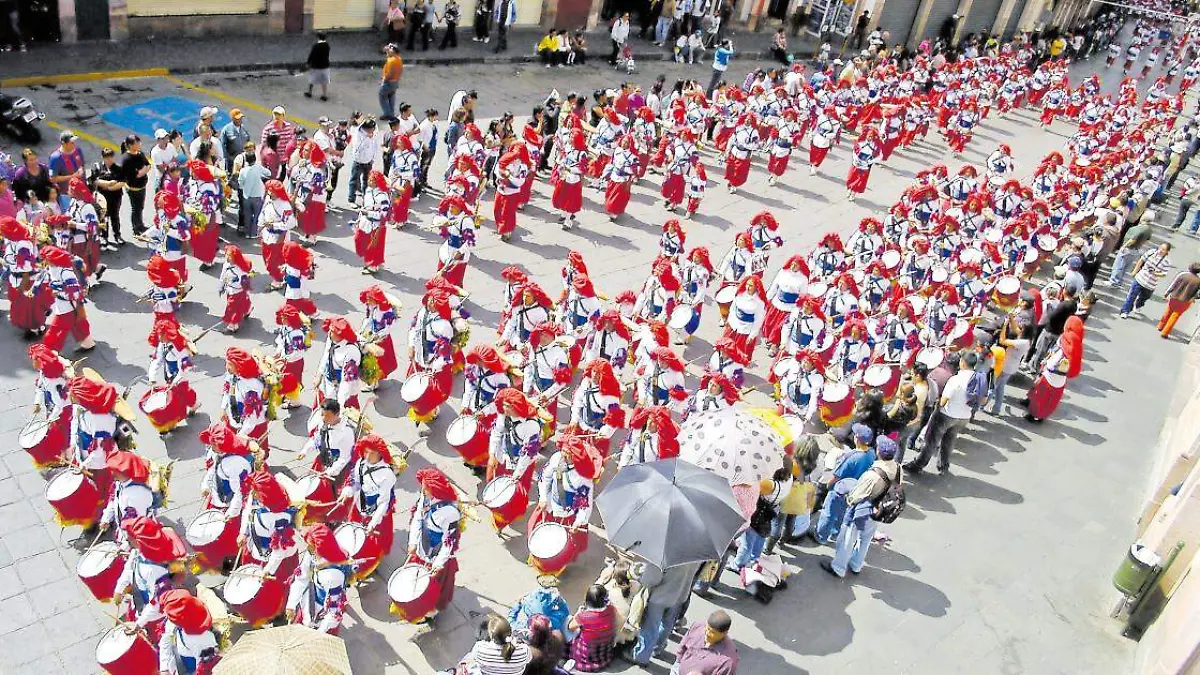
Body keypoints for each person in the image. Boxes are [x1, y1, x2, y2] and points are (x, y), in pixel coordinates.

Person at [822, 436, 901, 578]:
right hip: (880, 510)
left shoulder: (872, 475)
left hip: (862, 511)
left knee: (848, 538)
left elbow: (855, 497)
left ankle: (838, 568)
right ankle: (856, 565)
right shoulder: (898, 468)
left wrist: (847, 496)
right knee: (865, 539)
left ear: (879, 451)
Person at [904, 352, 976, 476]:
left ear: (963, 363)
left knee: (931, 441)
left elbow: (943, 401)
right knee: (949, 440)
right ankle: (943, 466)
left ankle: (918, 465)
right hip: (964, 416)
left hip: (947, 414)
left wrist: (937, 405)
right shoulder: (978, 378)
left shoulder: (956, 379)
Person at [1023, 315, 1084, 422]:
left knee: (1040, 395)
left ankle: (1033, 414)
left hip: (1050, 375)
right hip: (1056, 376)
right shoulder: (1075, 342)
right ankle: (1039, 413)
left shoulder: (1067, 338)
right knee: (1047, 399)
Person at [459, 614, 532, 674]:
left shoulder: (479, 648)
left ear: (491, 636)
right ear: (510, 631)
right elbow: (528, 659)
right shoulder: (524, 650)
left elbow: (472, 659)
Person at [568, 584, 618, 671]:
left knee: (568, 625)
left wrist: (578, 613)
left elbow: (570, 627)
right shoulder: (611, 609)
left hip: (587, 655)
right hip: (605, 652)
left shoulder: (583, 616)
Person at [674, 610, 739, 674]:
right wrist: (678, 662)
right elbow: (683, 644)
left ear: (724, 633)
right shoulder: (698, 626)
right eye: (707, 628)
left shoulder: (727, 661)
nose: (707, 633)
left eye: (712, 632)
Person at [1121, 242, 1173, 319]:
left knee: (1144, 297)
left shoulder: (1167, 262)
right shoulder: (1151, 252)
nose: (1161, 250)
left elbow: (1164, 274)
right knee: (1131, 296)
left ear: (1167, 252)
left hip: (1150, 284)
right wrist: (1135, 271)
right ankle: (1125, 311)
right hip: (1140, 279)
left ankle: (1138, 305)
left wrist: (1155, 273)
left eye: (1163, 249)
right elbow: (1141, 260)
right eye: (1160, 248)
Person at [88, 147, 126, 246]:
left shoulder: (118, 168)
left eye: (110, 157)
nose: (109, 160)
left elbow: (122, 182)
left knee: (115, 216)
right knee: (103, 217)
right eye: (106, 157)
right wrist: (108, 183)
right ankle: (104, 236)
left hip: (116, 196)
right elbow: (94, 180)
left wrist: (110, 188)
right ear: (103, 157)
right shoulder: (97, 167)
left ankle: (117, 235)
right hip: (102, 198)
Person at [1158, 262, 1200, 339]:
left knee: (1168, 311)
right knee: (1175, 316)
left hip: (1174, 297)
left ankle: (1160, 326)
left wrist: (1167, 293)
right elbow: (1199, 294)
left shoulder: (1182, 274)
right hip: (1186, 301)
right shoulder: (1198, 281)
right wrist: (1194, 297)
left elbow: (1173, 284)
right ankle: (1165, 332)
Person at [219, 109, 251, 174]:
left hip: (243, 160)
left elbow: (248, 141)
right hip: (231, 162)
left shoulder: (243, 129)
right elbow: (222, 145)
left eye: (241, 118)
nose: (240, 120)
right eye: (238, 118)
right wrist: (228, 158)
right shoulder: (226, 130)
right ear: (233, 118)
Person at [306, 33, 332, 101]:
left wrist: (308, 63)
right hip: (325, 65)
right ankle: (324, 95)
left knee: (312, 79)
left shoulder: (316, 46)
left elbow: (311, 55)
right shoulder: (327, 45)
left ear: (318, 38)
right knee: (324, 81)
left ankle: (309, 92)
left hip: (316, 65)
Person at [379, 45, 403, 118]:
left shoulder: (391, 60)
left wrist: (385, 79)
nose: (388, 50)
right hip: (395, 81)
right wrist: (387, 49)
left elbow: (390, 73)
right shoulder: (398, 59)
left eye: (390, 49)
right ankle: (391, 113)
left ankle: (387, 114)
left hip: (389, 81)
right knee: (391, 96)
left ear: (393, 51)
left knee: (382, 96)